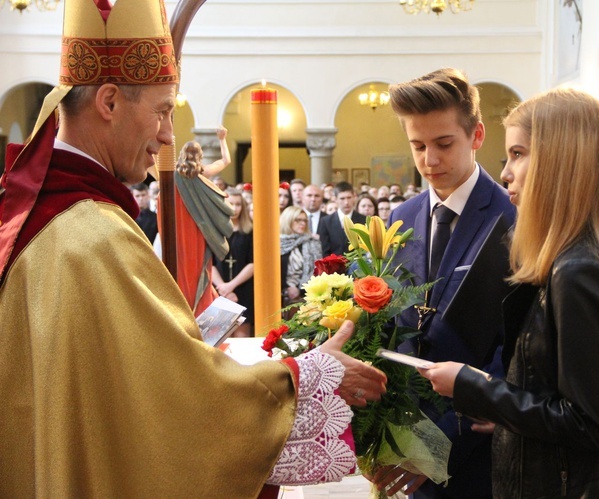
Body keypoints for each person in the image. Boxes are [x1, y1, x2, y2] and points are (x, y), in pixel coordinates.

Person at [0, 0, 387, 496]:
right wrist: (308, 376)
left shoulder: (28, 212)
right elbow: (180, 413)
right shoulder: (92, 239)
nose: (167, 136)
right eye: (163, 111)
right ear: (110, 102)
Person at [420, 88, 599, 498]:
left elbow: (586, 423)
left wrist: (472, 386)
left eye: (518, 154)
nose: (506, 172)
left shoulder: (580, 272)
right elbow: (551, 394)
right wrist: (505, 411)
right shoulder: (568, 261)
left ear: (560, 163)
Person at [376, 68, 516, 499]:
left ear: (476, 135)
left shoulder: (510, 218)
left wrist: (435, 448)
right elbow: (393, 327)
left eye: (443, 144)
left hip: (479, 447)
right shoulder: (402, 217)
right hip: (408, 440)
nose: (429, 160)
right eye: (417, 146)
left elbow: (511, 347)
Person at [174, 126, 234, 316]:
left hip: (177, 230)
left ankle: (184, 309)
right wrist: (222, 138)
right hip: (199, 230)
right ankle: (201, 308)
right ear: (200, 156)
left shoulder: (171, 175)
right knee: (200, 269)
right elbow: (226, 160)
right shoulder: (203, 173)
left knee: (180, 268)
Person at [212, 187, 254, 337]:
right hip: (219, 289)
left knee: (242, 338)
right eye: (231, 204)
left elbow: (253, 263)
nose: (234, 208)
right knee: (219, 338)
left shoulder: (250, 232)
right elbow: (209, 264)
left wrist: (231, 286)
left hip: (242, 288)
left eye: (238, 204)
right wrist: (222, 287)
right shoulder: (215, 230)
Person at [280, 206, 323, 307]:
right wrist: (287, 288)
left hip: (306, 296)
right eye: (298, 220)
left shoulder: (313, 243)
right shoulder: (277, 243)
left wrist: (299, 289)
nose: (303, 223)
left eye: (305, 220)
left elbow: (317, 270)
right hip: (278, 294)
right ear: (288, 220)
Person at [318, 181, 366, 256]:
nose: (346, 202)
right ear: (335, 199)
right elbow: (324, 250)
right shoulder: (326, 222)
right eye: (342, 198)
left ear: (354, 197)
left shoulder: (363, 220)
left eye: (349, 198)